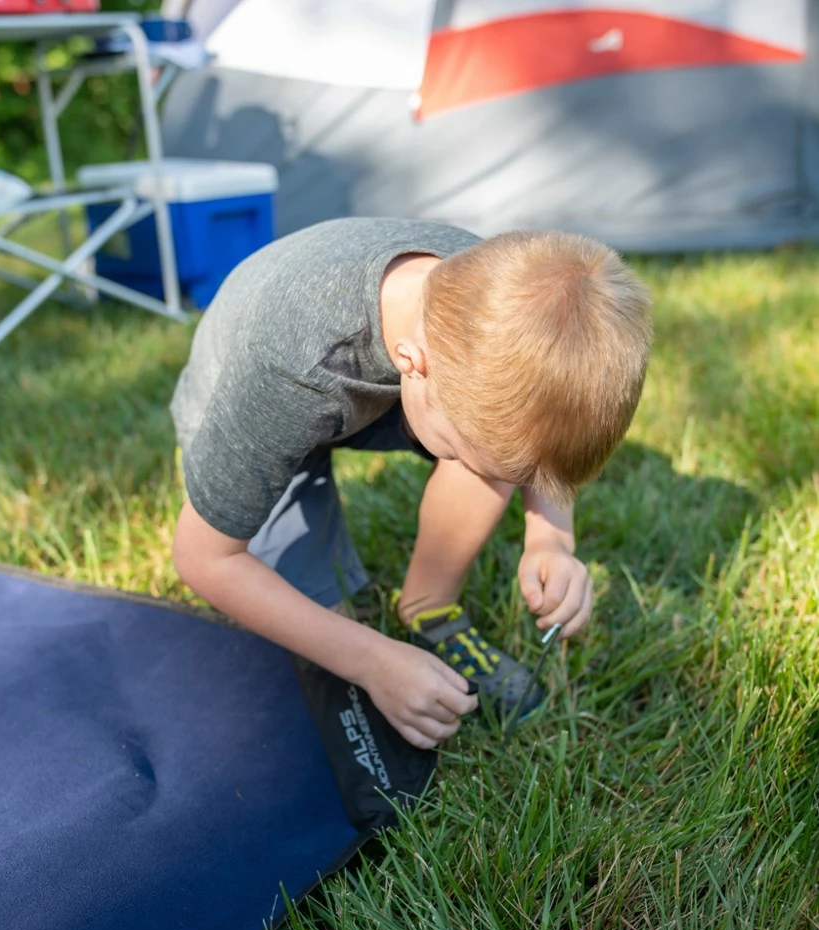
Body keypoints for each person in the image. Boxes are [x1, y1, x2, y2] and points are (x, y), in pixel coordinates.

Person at [170, 217, 652, 750]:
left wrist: (551, 539)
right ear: (412, 365)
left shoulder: (496, 301)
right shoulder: (290, 369)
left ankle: (429, 605)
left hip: (371, 390)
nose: (520, 490)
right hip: (246, 407)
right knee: (322, 637)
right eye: (515, 478)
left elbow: (532, 446)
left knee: (488, 459)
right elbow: (205, 558)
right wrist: (370, 659)